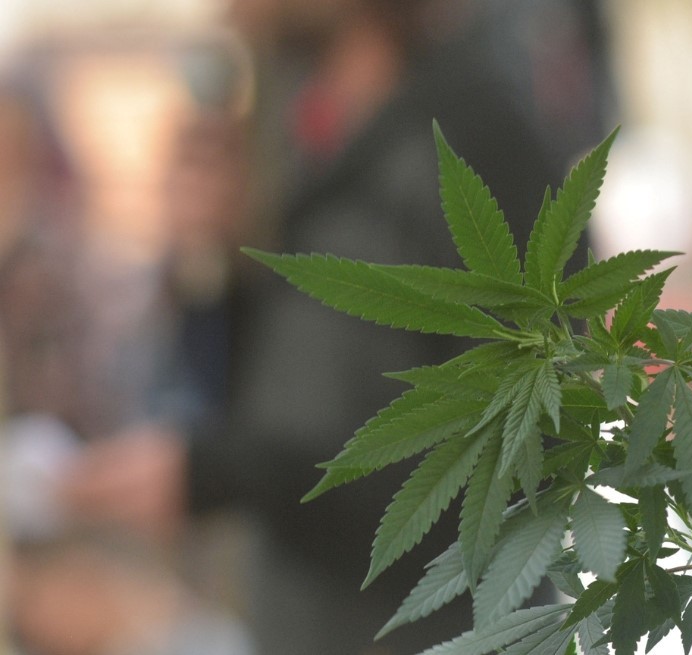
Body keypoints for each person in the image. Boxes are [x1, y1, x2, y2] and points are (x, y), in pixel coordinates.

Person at [61, 1, 602, 653]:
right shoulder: (306, 141)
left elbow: (519, 452)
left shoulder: (481, 138)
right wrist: (218, 278)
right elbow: (267, 394)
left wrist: (221, 474)